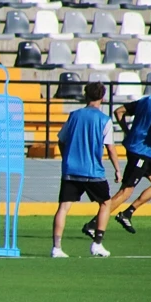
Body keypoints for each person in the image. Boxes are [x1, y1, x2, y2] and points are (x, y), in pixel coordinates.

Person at [82, 73, 151, 238]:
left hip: (140, 150)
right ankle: (94, 224)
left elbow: (119, 112)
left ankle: (127, 213)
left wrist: (128, 132)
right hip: (140, 152)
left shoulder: (147, 100)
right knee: (126, 191)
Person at [51, 82, 121, 258]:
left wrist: (66, 157)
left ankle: (56, 247)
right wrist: (117, 170)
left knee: (63, 207)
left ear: (85, 96)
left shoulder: (74, 116)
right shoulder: (105, 120)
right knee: (105, 203)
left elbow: (61, 140)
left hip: (71, 169)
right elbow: (111, 148)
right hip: (93, 172)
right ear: (102, 98)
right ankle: (97, 243)